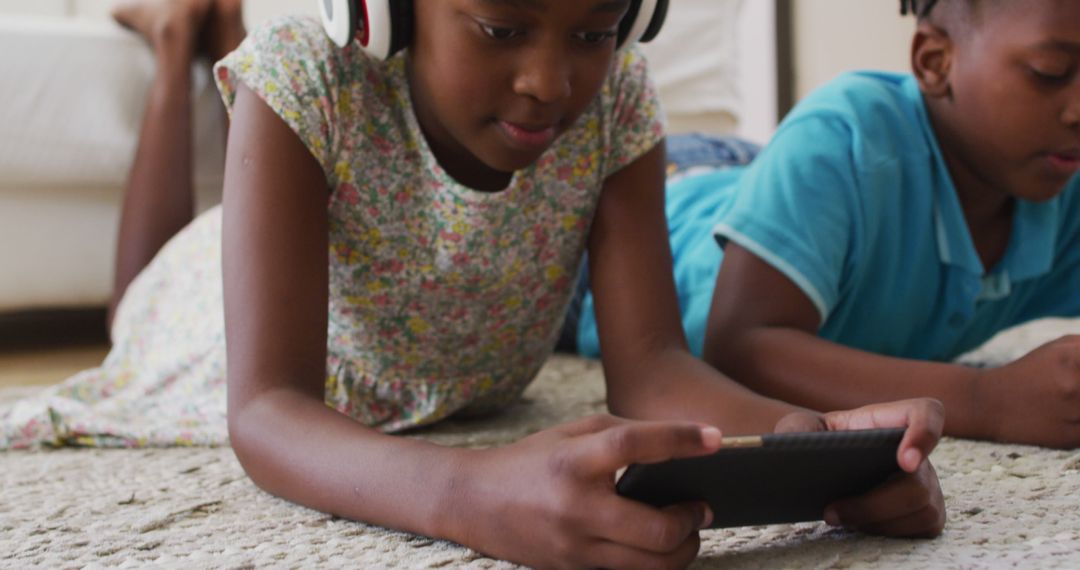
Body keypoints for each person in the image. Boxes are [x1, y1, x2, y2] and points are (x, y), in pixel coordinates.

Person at [2, 0, 946, 567]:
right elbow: (265, 409)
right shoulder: (303, 76)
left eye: (594, 28)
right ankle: (176, 41)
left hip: (434, 379)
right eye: (502, 26)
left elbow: (652, 365)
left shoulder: (614, 96)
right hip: (207, 322)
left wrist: (804, 444)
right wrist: (468, 495)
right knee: (135, 302)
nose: (550, 79)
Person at [572, 0, 1080, 450]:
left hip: (752, 172)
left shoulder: (1060, 180)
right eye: (1051, 71)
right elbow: (743, 345)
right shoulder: (848, 137)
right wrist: (985, 398)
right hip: (668, 195)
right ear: (934, 61)